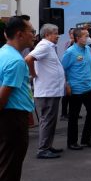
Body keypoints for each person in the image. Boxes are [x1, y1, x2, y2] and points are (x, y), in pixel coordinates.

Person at [0, 16, 35, 181]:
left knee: (5, 165)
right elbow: (3, 97)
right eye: (31, 31)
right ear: (20, 34)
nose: (33, 36)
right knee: (9, 172)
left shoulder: (3, 53)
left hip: (12, 117)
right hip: (12, 120)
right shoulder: (16, 61)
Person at [25, 24, 66, 159]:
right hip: (47, 90)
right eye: (55, 33)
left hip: (52, 90)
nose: (58, 35)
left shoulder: (49, 47)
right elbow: (28, 59)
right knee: (47, 120)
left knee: (51, 120)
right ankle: (43, 149)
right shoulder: (44, 46)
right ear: (47, 34)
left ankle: (47, 146)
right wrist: (33, 74)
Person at [61, 28, 91, 150]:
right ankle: (72, 142)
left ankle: (86, 139)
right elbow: (63, 70)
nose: (88, 38)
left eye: (88, 35)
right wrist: (67, 85)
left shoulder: (88, 49)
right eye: (86, 36)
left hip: (90, 87)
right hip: (76, 89)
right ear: (77, 38)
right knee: (73, 117)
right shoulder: (70, 52)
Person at [60, 27, 75, 120]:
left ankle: (72, 112)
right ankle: (63, 114)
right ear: (69, 35)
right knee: (66, 94)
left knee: (73, 94)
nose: (74, 35)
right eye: (72, 34)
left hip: (74, 72)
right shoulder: (68, 44)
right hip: (67, 71)